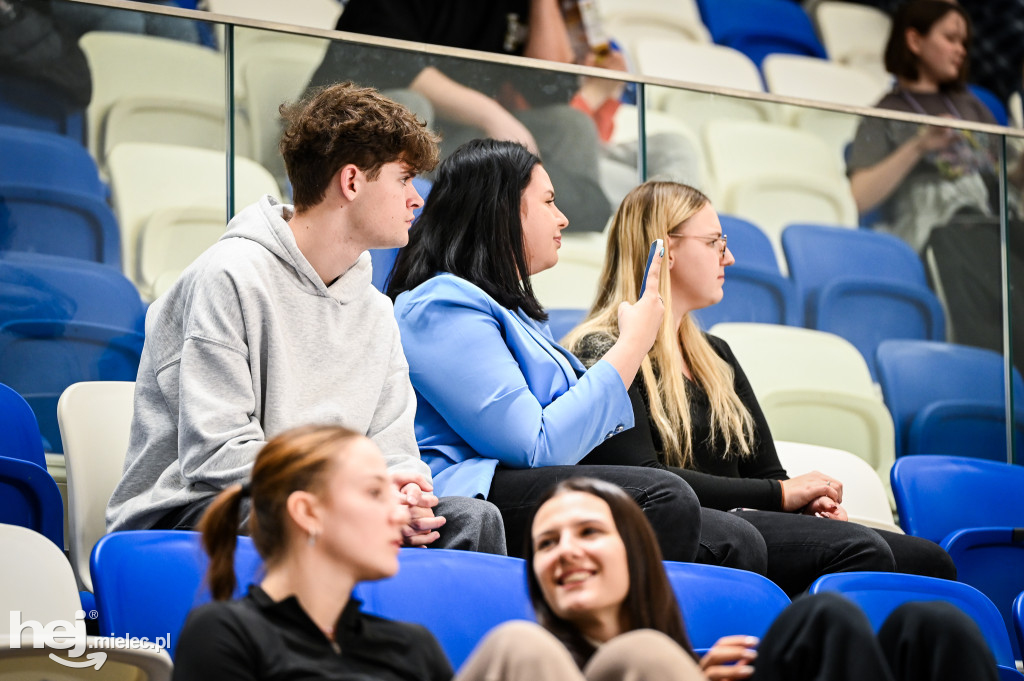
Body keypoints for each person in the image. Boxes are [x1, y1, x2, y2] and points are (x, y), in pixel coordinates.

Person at [106, 83, 505, 554]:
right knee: (318, 518)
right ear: (352, 181)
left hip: (337, 502)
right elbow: (215, 455)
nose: (417, 200)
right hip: (192, 511)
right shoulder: (229, 276)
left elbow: (396, 451)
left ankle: (410, 629)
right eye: (403, 180)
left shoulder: (376, 310)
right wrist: (357, 491)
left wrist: (407, 497)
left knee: (474, 521)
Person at [386, 138, 769, 573]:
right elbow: (534, 446)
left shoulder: (513, 313)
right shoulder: (438, 305)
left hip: (529, 481)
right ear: (503, 211)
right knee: (663, 495)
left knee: (736, 539)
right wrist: (632, 345)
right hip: (476, 493)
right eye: (548, 202)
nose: (563, 218)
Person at [564, 180, 957, 596]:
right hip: (694, 530)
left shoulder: (715, 354)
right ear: (667, 250)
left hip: (748, 520)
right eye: (715, 241)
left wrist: (805, 502)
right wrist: (781, 494)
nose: (729, 257)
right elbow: (647, 483)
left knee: (931, 561)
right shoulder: (604, 350)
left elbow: (766, 473)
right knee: (861, 550)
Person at [505, 476, 1000, 681]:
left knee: (935, 626)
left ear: (637, 552)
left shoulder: (666, 653)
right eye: (546, 543)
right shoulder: (525, 654)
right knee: (823, 620)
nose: (566, 551)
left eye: (589, 532)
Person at [173, 425, 454, 681]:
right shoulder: (224, 633)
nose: (398, 514)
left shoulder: (415, 645)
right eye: (374, 493)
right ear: (307, 512)